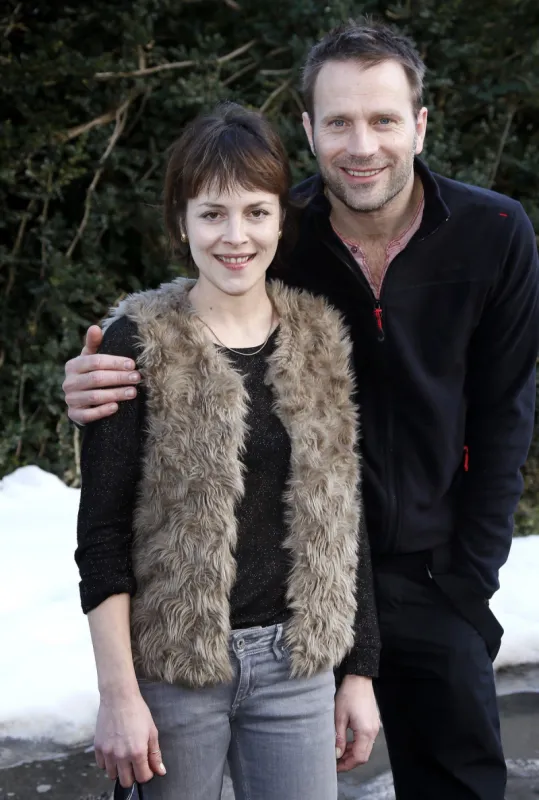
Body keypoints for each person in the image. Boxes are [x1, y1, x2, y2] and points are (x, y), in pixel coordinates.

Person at [64, 19, 539, 800]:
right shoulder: (283, 233)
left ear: (418, 125)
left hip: (433, 574)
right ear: (310, 129)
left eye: (384, 119)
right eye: (340, 121)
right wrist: (92, 376)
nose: (363, 145)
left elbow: (502, 418)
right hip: (286, 588)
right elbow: (194, 315)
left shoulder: (493, 234)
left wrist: (469, 582)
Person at [74, 102, 380, 800]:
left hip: (296, 669)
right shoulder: (137, 342)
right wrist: (118, 694)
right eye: (212, 214)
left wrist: (358, 669)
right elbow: (101, 535)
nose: (234, 236)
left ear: (280, 218)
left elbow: (342, 513)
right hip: (174, 672)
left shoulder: (318, 337)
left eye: (254, 212)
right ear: (181, 221)